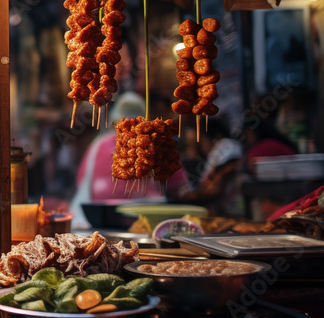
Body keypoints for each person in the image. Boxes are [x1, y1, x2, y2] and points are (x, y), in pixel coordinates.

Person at [68, 92, 186, 229]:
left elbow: (80, 181)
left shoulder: (98, 144)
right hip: (144, 219)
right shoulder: (155, 142)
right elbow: (181, 187)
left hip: (105, 218)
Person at [177, 116, 245, 217]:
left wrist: (195, 195)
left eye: (202, 139)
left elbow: (221, 176)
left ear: (216, 137)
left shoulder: (224, 145)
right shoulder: (226, 147)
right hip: (227, 208)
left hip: (228, 210)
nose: (200, 145)